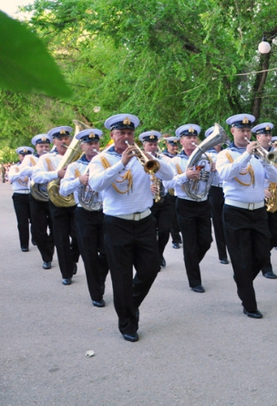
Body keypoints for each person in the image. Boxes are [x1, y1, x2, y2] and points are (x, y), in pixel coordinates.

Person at [89, 114, 175, 342]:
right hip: (116, 223)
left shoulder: (143, 157)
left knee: (151, 269)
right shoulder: (101, 159)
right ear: (112, 136)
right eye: (121, 133)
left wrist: (151, 157)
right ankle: (127, 324)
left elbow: (169, 175)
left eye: (129, 133)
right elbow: (96, 184)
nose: (126, 137)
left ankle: (129, 303)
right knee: (121, 277)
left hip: (145, 221)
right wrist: (122, 163)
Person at [216, 114, 277, 318]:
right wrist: (246, 155)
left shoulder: (260, 154)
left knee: (262, 254)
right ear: (233, 132)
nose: (245, 134)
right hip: (235, 211)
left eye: (247, 131)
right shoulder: (225, 154)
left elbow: (276, 177)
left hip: (258, 211)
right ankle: (249, 304)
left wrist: (266, 160)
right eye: (241, 130)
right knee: (242, 259)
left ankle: (242, 279)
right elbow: (225, 175)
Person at [59, 128, 110, 307]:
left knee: (107, 253)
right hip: (84, 213)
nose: (93, 146)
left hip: (104, 212)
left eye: (95, 143)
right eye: (89, 143)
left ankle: (99, 278)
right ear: (82, 146)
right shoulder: (74, 167)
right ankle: (96, 294)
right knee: (89, 255)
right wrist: (79, 181)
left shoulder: (105, 163)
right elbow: (63, 189)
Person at [166, 124, 214, 293]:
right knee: (190, 244)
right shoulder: (174, 161)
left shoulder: (206, 159)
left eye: (194, 137)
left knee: (206, 241)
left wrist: (214, 171)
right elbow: (168, 184)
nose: (192, 140)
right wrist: (184, 176)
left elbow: (214, 182)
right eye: (188, 138)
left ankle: (191, 263)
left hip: (203, 202)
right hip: (185, 203)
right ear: (181, 141)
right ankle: (195, 280)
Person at [32, 126, 80, 285]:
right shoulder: (46, 158)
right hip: (56, 202)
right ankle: (66, 273)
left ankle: (72, 259)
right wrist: (56, 174)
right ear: (54, 141)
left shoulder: (76, 156)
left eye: (66, 138)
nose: (64, 141)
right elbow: (37, 176)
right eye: (60, 139)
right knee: (61, 238)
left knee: (79, 236)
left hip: (75, 202)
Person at [252, 122, 277, 278]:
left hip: (276, 194)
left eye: (269, 135)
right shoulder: (253, 154)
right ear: (258, 137)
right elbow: (249, 177)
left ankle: (260, 254)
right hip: (260, 195)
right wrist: (260, 189)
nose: (268, 138)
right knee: (263, 234)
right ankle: (266, 267)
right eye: (265, 135)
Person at [20, 134, 55, 268]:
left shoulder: (52, 157)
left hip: (52, 196)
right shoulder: (30, 158)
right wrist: (40, 170)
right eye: (41, 146)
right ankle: (46, 257)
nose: (44, 148)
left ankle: (50, 248)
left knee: (54, 228)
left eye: (46, 146)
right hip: (36, 197)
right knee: (39, 229)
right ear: (36, 147)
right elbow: (23, 171)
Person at [140, 131, 172, 268]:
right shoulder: (138, 160)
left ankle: (159, 254)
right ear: (144, 145)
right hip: (148, 202)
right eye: (150, 145)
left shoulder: (162, 158)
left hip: (163, 199)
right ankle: (153, 257)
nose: (153, 147)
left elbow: (170, 175)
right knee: (151, 232)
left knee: (165, 230)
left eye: (154, 145)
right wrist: (148, 188)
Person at [204, 126, 229, 264]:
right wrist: (209, 168)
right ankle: (222, 254)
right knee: (218, 223)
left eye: (219, 139)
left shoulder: (226, 153)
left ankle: (232, 249)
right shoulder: (205, 155)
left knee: (229, 221)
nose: (218, 142)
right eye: (215, 139)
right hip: (214, 190)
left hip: (226, 189)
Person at [9, 146, 34, 252]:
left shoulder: (34, 167)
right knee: (22, 221)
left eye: (27, 156)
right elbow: (11, 178)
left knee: (36, 220)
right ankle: (24, 244)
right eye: (22, 155)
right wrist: (22, 171)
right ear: (19, 156)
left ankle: (36, 237)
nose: (24, 158)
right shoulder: (14, 168)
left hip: (31, 194)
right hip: (19, 195)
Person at [162, 136, 183, 249]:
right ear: (167, 145)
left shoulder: (180, 157)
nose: (174, 147)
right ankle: (175, 238)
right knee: (172, 215)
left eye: (175, 145)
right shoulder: (164, 157)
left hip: (180, 189)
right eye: (172, 145)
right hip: (169, 190)